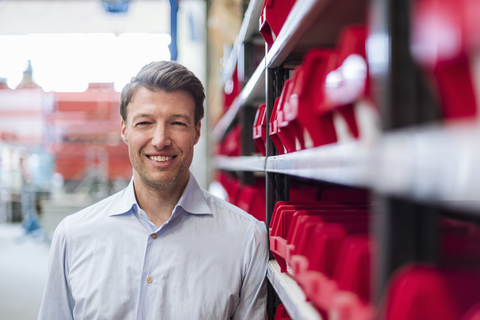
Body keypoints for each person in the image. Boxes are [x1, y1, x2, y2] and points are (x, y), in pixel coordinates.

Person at [38, 61, 269, 320]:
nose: (160, 140)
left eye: (178, 123)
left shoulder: (246, 239)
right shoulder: (73, 236)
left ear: (196, 131)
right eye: (145, 122)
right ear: (125, 130)